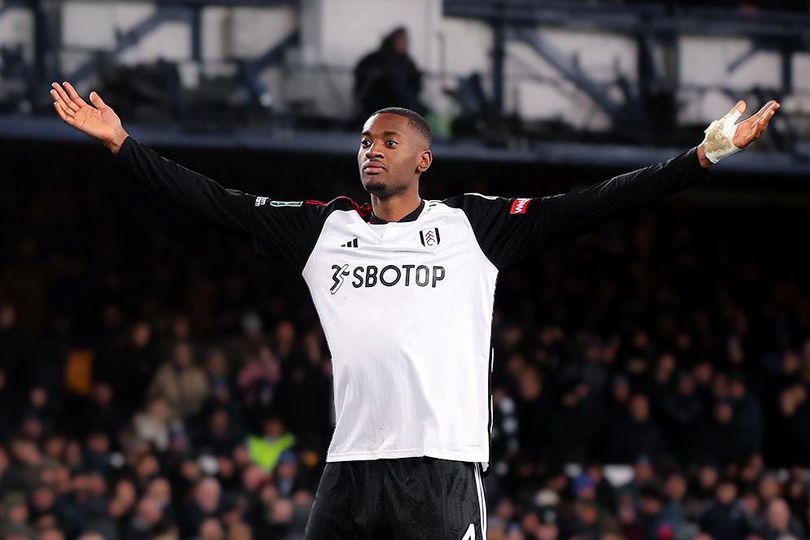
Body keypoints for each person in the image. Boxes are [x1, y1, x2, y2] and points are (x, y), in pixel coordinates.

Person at [49, 80, 779, 539]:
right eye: (365, 141)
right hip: (352, 464)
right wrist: (123, 145)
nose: (372, 150)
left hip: (441, 467)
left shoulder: (474, 226)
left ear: (422, 159)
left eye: (389, 141)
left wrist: (701, 158)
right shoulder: (324, 230)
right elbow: (216, 203)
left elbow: (592, 205)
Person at [353, 27, 427, 119]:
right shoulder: (376, 59)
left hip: (405, 108)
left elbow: (415, 86)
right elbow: (363, 83)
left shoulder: (407, 63)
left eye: (405, 40)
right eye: (400, 40)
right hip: (379, 107)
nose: (403, 44)